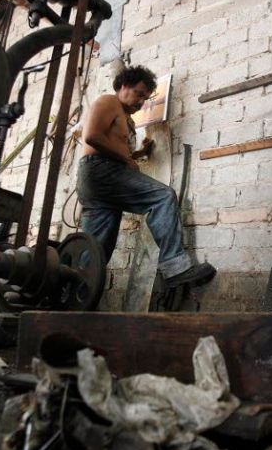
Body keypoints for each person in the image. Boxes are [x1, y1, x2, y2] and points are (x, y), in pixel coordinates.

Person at [77, 65, 216, 288]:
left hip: (100, 182)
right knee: (162, 196)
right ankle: (175, 268)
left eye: (145, 98)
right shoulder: (108, 102)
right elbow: (92, 136)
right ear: (123, 86)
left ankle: (73, 293)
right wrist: (126, 160)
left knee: (98, 247)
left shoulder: (126, 119)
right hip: (100, 171)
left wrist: (137, 154)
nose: (141, 102)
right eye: (139, 94)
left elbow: (114, 146)